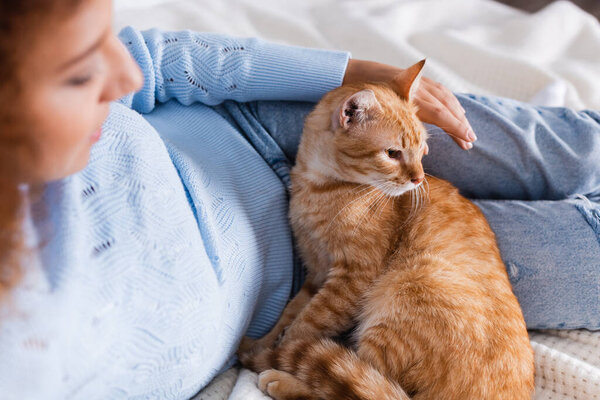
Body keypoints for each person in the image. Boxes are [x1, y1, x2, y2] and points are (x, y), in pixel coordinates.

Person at [0, 0, 598, 398]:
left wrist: (356, 72)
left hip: (274, 124)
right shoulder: (33, 354)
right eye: (78, 75)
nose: (121, 78)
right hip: (323, 264)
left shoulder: (94, 84)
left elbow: (151, 64)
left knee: (575, 147)